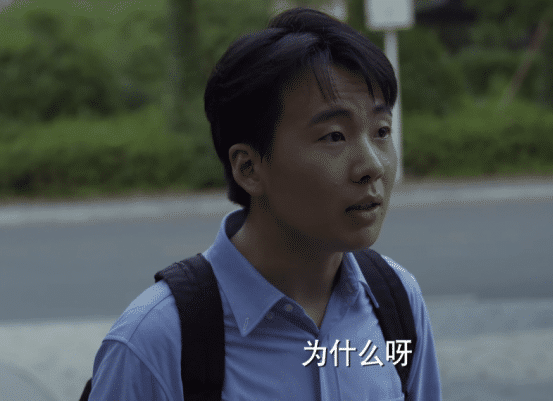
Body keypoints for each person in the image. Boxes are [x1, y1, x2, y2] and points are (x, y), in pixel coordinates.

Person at [88, 7, 441, 400]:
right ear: (249, 168)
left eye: (381, 131)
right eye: (334, 136)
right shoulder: (156, 343)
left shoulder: (396, 303)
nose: (372, 166)